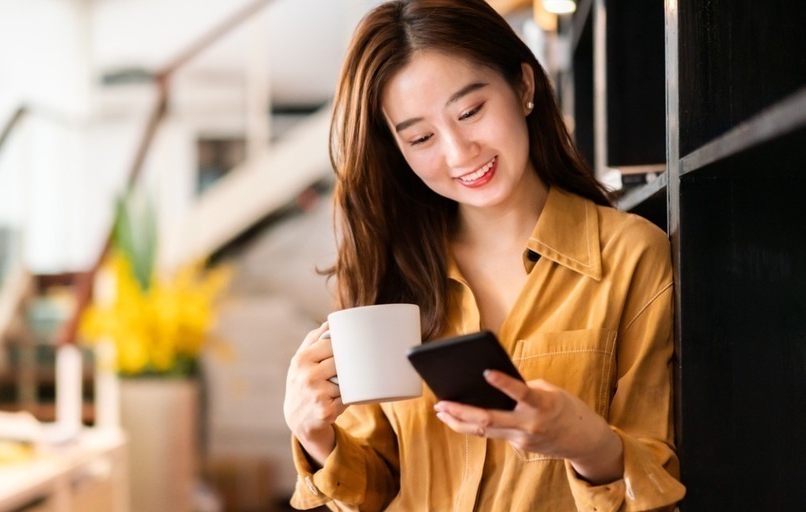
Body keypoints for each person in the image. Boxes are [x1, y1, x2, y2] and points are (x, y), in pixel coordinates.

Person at [283, 0, 686, 510]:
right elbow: (373, 485)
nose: (459, 151)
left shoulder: (630, 256)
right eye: (422, 137)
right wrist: (316, 436)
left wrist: (586, 443)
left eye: (471, 111)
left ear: (523, 86)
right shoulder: (389, 274)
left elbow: (657, 478)